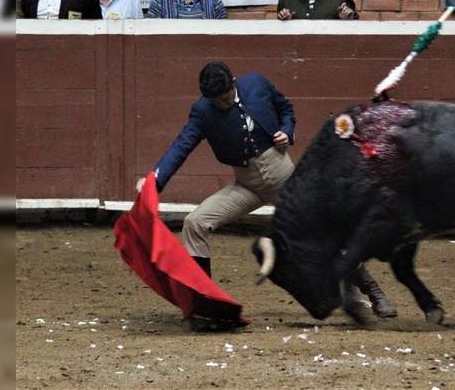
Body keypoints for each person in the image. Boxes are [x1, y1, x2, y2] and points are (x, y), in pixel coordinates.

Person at [137, 62, 396, 329]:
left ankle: (374, 291)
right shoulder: (203, 111)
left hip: (285, 180)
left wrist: (287, 131)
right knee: (195, 222)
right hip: (246, 185)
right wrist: (155, 181)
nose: (223, 105)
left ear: (234, 83)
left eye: (226, 98)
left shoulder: (257, 83)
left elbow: (285, 108)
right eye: (217, 102)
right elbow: (182, 145)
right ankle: (204, 302)